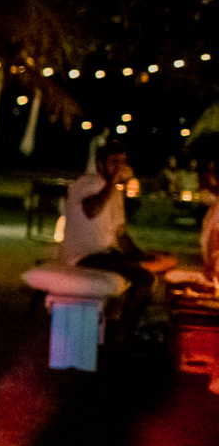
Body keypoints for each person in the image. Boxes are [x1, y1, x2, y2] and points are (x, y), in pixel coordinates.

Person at [61, 141, 173, 344]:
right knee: (145, 278)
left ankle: (124, 324)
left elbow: (120, 234)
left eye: (123, 162)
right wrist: (113, 181)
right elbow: (91, 210)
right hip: (84, 255)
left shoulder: (115, 192)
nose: (120, 166)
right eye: (114, 162)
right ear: (100, 165)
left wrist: (141, 255)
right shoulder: (88, 183)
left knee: (164, 262)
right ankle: (122, 335)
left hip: (106, 253)